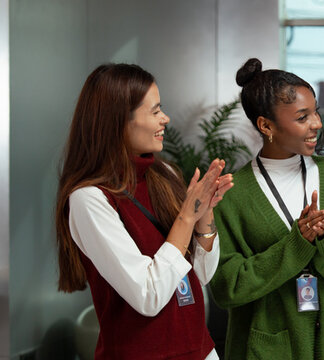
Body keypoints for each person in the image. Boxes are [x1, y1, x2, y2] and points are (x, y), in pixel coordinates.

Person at [56, 63, 232, 359]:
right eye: (155, 111)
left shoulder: (164, 174)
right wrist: (187, 216)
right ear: (118, 120)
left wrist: (204, 213)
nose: (165, 118)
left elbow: (200, 274)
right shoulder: (89, 199)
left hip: (202, 352)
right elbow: (148, 296)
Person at [209, 58, 324, 360]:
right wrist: (297, 243)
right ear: (266, 125)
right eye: (302, 117)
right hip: (264, 350)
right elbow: (227, 287)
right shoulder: (232, 193)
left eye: (316, 112)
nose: (317, 124)